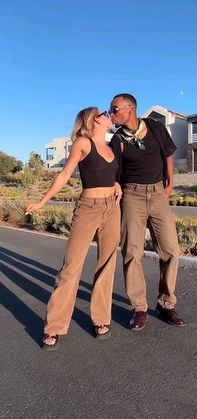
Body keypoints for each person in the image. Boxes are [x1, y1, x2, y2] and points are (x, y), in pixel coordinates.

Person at [26, 107, 122, 350]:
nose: (107, 115)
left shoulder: (110, 147)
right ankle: (54, 326)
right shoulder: (83, 142)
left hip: (112, 209)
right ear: (92, 121)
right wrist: (43, 201)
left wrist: (116, 185)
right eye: (102, 113)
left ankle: (101, 319)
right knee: (71, 267)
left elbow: (106, 175)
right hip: (88, 209)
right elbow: (65, 174)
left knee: (107, 264)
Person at [109, 93, 185, 331]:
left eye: (114, 109)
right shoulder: (117, 139)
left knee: (171, 250)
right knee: (132, 252)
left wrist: (170, 182)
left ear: (130, 109)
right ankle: (139, 308)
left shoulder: (155, 127)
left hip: (158, 194)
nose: (111, 114)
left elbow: (168, 154)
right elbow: (114, 173)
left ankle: (166, 303)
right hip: (132, 196)